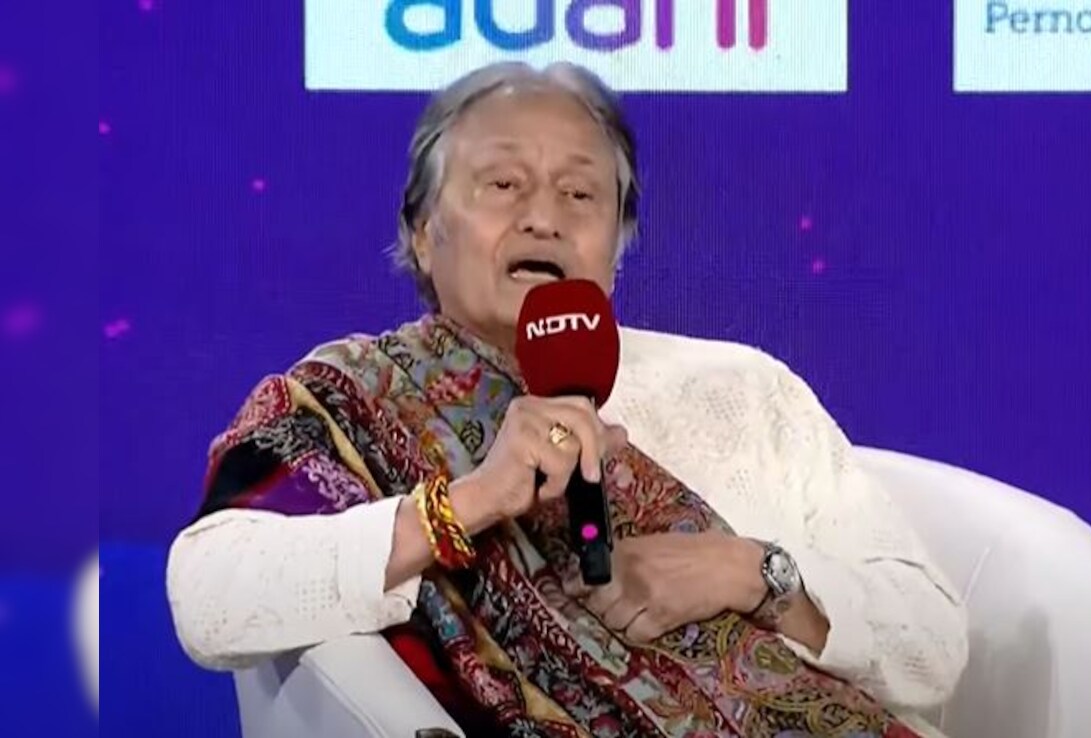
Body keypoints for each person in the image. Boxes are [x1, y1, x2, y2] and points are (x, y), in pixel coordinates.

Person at [167, 61, 968, 737]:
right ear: (421, 231)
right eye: (502, 184)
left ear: (617, 245)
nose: (544, 218)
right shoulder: (349, 401)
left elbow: (933, 646)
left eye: (581, 195)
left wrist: (751, 573)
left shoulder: (744, 388)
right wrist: (464, 505)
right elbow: (210, 597)